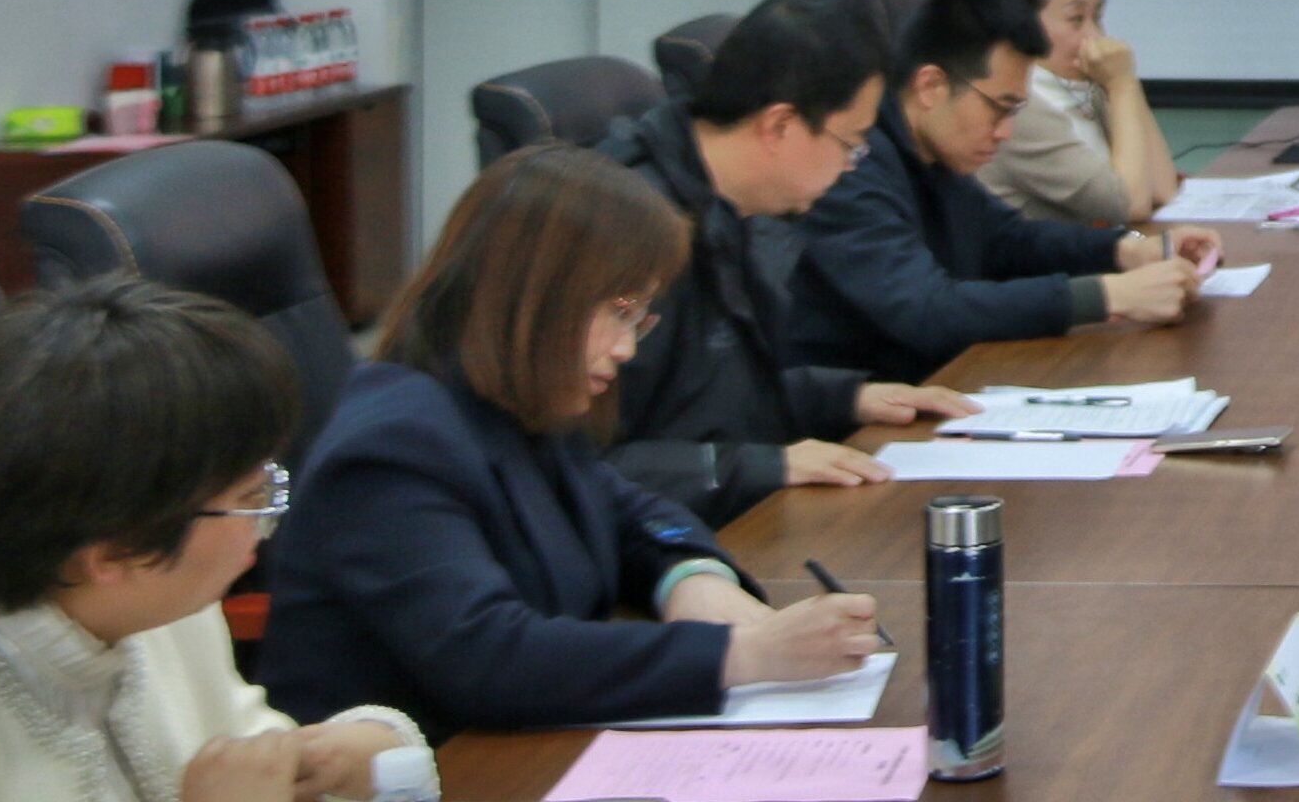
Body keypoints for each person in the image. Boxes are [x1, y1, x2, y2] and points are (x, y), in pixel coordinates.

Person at [259, 148, 877, 742]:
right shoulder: (391, 450)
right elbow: (491, 660)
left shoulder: (513, 402)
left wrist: (692, 577)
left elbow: (631, 512)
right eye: (618, 311)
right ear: (535, 297)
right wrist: (742, 654)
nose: (627, 349)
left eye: (639, 319)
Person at [0, 275, 419, 802]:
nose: (263, 520)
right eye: (247, 497)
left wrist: (337, 762)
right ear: (113, 554)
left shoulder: (155, 586)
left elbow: (240, 742)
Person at [598, 0, 978, 525]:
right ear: (779, 126)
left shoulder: (734, 205)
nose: (851, 166)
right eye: (851, 144)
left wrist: (849, 397)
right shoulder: (631, 232)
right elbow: (580, 467)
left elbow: (715, 390)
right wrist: (763, 466)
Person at [790, 0, 1221, 387]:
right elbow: (927, 310)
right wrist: (1107, 296)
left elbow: (1006, 239)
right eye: (999, 108)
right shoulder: (849, 167)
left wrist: (1126, 249)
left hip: (938, 381)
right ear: (931, 86)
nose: (1005, 132)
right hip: (859, 414)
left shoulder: (933, 152)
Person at [979, 0, 1179, 227]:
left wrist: (1127, 84)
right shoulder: (1018, 108)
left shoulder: (1088, 88)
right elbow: (1131, 205)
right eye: (1076, 18)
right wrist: (1121, 85)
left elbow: (1162, 190)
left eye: (1097, 17)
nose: (1094, 34)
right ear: (1023, 24)